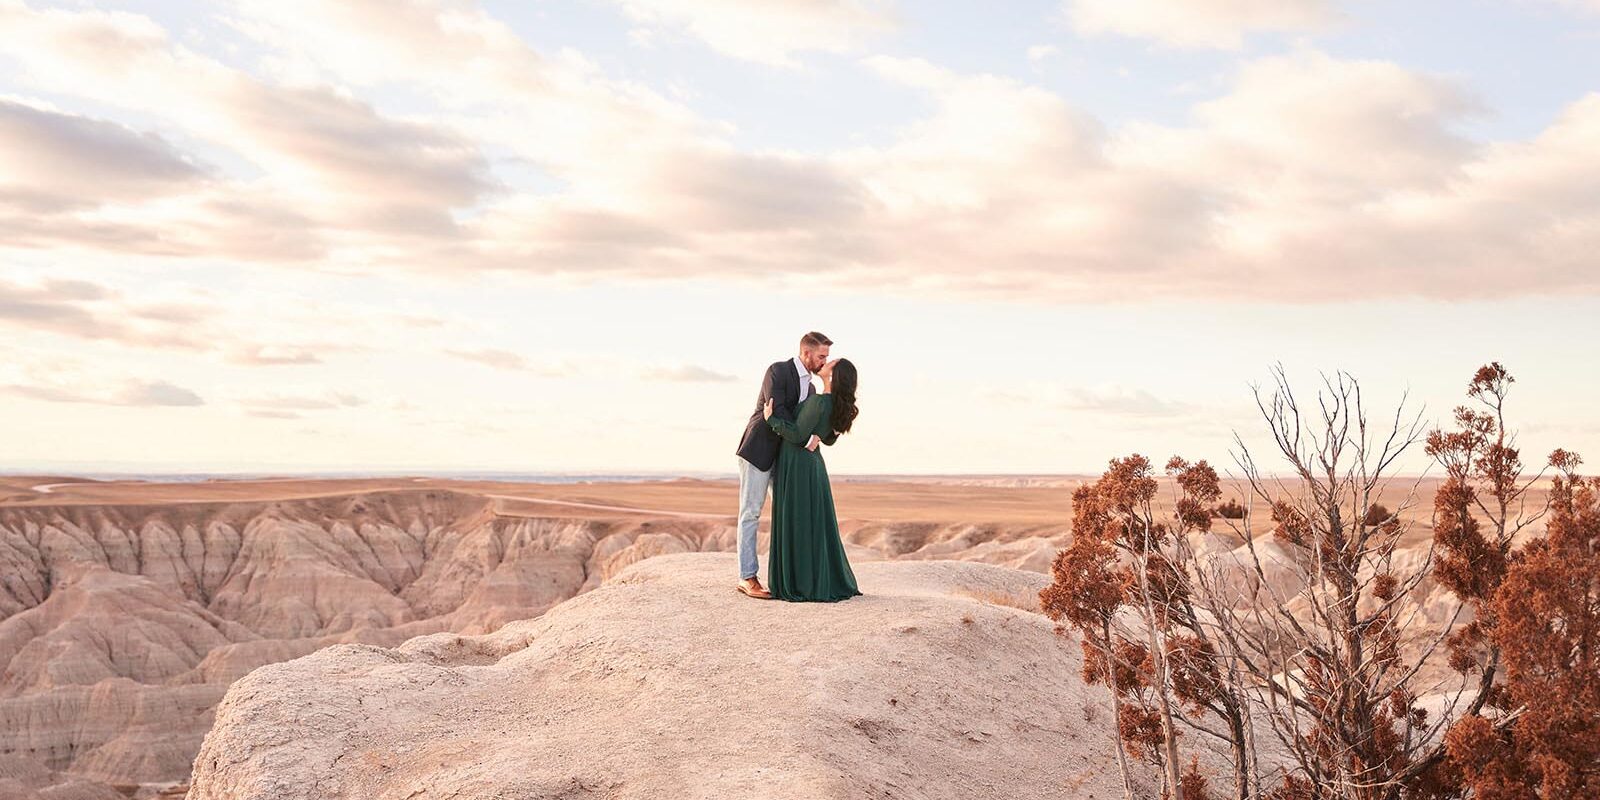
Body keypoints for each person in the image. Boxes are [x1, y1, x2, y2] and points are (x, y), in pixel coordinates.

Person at [732, 332, 831, 599]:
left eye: (827, 357)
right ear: (806, 353)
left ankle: (789, 576)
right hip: (759, 451)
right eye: (821, 356)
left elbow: (811, 420)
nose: (824, 361)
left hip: (786, 458)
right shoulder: (777, 371)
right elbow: (777, 412)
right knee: (751, 513)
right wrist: (805, 437)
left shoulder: (810, 388)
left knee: (788, 514)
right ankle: (747, 577)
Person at [762, 357, 861, 602]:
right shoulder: (834, 404)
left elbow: (796, 434)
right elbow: (828, 439)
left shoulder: (819, 401)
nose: (825, 363)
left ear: (833, 375)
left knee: (799, 520)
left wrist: (771, 419)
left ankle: (801, 583)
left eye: (831, 362)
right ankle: (816, 578)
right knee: (813, 522)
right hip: (813, 466)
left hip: (798, 465)